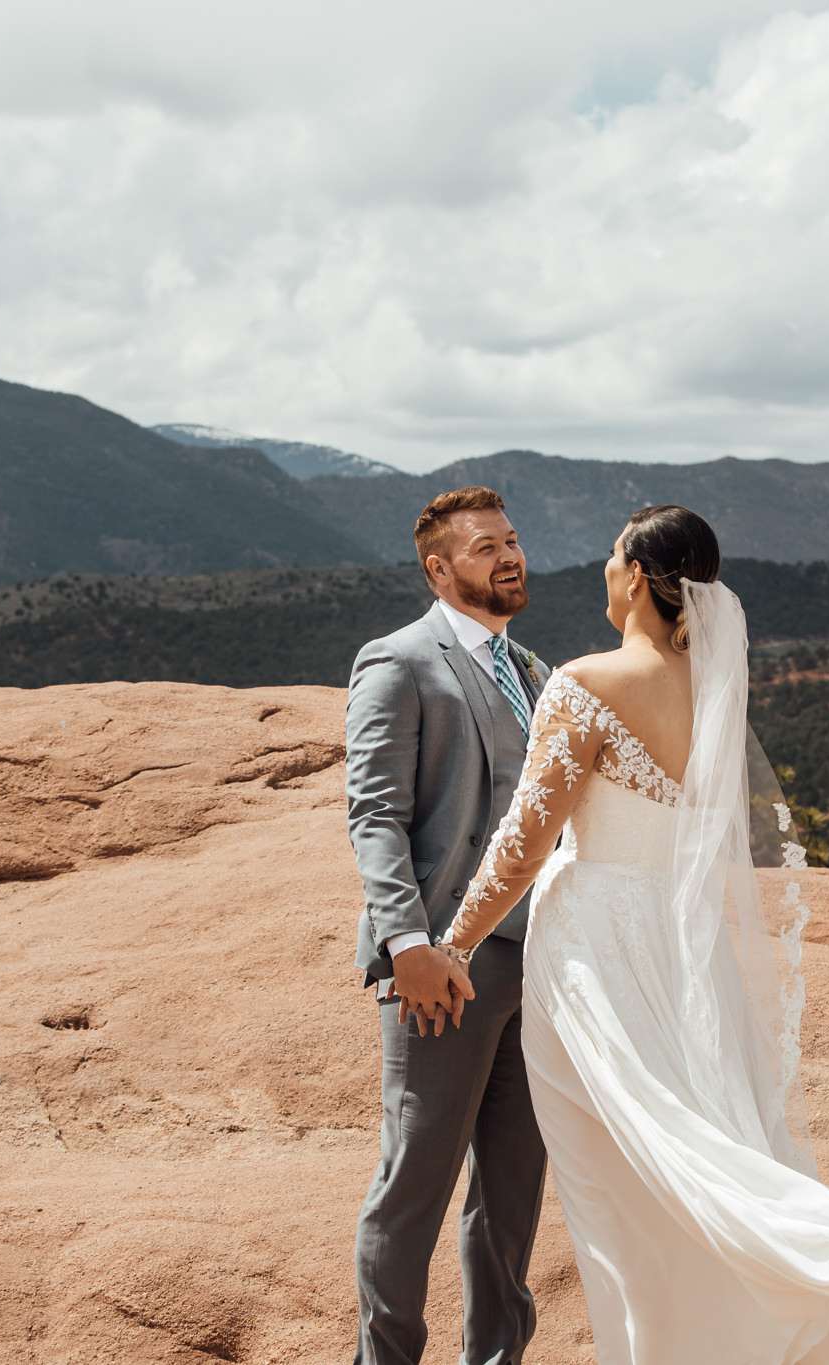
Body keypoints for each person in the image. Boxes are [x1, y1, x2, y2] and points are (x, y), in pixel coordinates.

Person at [432, 504, 829, 1364]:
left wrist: (450, 947)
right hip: (683, 944)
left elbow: (524, 842)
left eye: (610, 556)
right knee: (699, 1146)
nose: (601, 569)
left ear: (636, 577)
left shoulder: (585, 683)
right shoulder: (712, 686)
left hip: (598, 946)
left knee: (616, 1180)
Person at [345, 486, 551, 1365]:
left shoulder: (537, 672)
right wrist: (409, 945)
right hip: (442, 971)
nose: (508, 556)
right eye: (483, 548)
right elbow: (374, 816)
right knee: (414, 1185)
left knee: (513, 1190)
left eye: (510, 541)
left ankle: (497, 1357)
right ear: (439, 569)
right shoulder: (399, 663)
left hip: (536, 967)